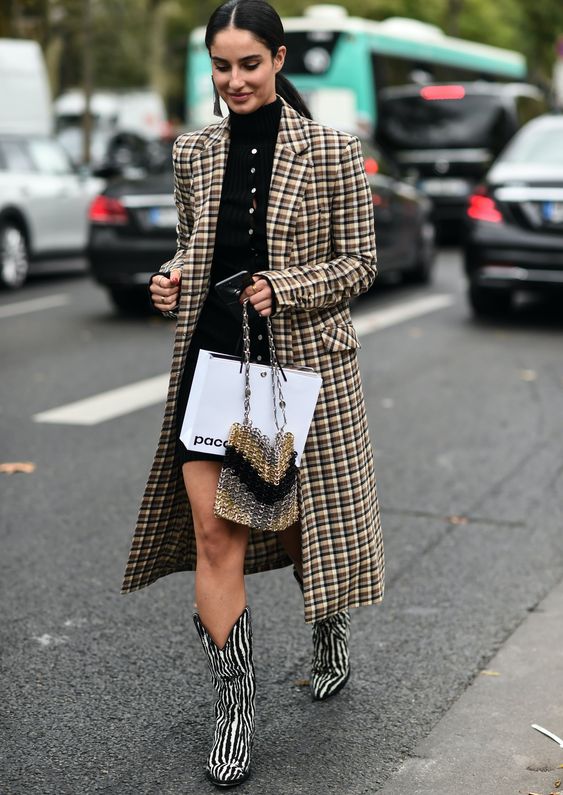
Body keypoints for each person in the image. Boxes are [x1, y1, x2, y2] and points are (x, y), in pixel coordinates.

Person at [122, 0, 384, 787]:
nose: (234, 79)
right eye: (221, 65)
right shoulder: (194, 151)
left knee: (299, 532)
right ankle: (234, 706)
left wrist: (285, 285)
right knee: (214, 536)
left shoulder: (331, 150)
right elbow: (195, 239)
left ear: (277, 60)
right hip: (213, 365)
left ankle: (327, 625)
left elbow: (357, 265)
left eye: (249, 63)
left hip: (294, 372)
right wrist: (171, 277)